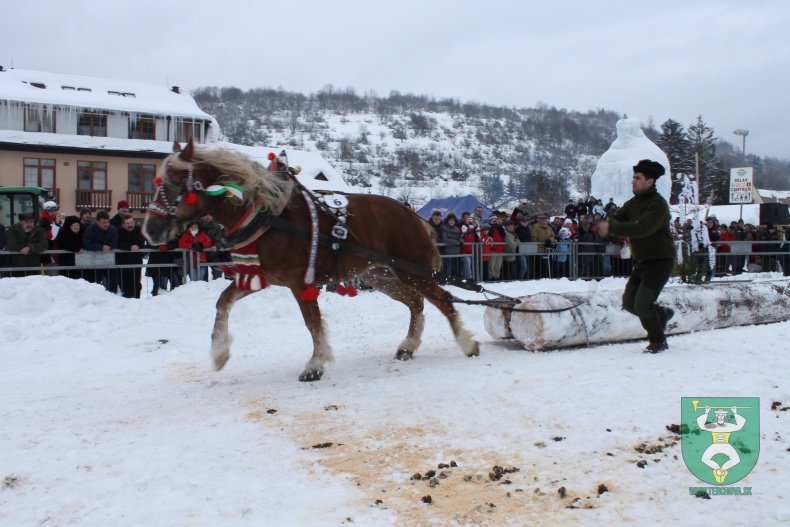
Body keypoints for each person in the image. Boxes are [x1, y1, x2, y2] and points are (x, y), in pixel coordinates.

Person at [596, 160, 676, 353]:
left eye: (637, 178)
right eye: (633, 178)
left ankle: (658, 340)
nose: (633, 181)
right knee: (629, 303)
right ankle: (662, 314)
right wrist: (613, 223)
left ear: (650, 181)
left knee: (642, 304)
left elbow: (643, 228)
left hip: (660, 260)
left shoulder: (657, 204)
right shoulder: (633, 203)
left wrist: (612, 227)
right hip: (642, 260)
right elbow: (616, 216)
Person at [83, 210, 119, 291]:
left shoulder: (112, 229)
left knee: (112, 284)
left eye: (107, 222)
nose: (106, 224)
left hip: (109, 262)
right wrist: (100, 247)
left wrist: (108, 246)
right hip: (94, 262)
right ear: (98, 222)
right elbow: (87, 243)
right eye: (104, 222)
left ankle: (113, 299)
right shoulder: (90, 230)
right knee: (95, 285)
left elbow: (115, 241)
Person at [5, 212, 49, 276]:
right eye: (26, 222)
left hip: (34, 266)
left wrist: (29, 248)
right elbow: (11, 245)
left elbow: (44, 244)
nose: (29, 224)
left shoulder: (40, 230)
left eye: (31, 222)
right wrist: (24, 248)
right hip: (16, 267)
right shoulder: (12, 230)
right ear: (21, 222)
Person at [116, 215, 147, 298]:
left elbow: (141, 243)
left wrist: (137, 247)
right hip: (122, 262)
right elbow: (118, 244)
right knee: (124, 284)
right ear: (123, 224)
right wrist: (130, 247)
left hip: (136, 261)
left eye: (131, 222)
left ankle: (137, 299)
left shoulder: (138, 230)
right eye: (127, 223)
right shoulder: (119, 231)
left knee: (136, 283)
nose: (130, 225)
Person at [55, 215, 85, 279]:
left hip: (81, 264)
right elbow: (64, 244)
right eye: (73, 225)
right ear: (69, 226)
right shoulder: (64, 234)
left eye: (77, 225)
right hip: (67, 264)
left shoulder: (83, 234)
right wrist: (76, 249)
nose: (76, 227)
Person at [198, 213, 225, 280]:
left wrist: (216, 246)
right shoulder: (197, 225)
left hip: (212, 253)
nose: (208, 217)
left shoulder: (216, 227)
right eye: (206, 215)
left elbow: (219, 239)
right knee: (202, 274)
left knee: (217, 270)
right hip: (200, 253)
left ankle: (216, 284)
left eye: (210, 215)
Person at [530, 214, 556, 279]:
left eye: (546, 220)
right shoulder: (536, 228)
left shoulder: (549, 228)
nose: (545, 222)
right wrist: (537, 246)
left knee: (547, 264)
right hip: (539, 250)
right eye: (543, 221)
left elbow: (553, 236)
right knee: (539, 265)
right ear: (540, 221)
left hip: (547, 249)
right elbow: (533, 238)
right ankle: (538, 277)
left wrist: (550, 240)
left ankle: (546, 277)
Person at [438, 211, 463, 277]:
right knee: (449, 270)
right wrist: (456, 242)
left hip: (456, 253)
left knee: (457, 269)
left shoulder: (456, 228)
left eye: (453, 220)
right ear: (447, 220)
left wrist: (461, 242)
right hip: (448, 253)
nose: (451, 221)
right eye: (450, 220)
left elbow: (459, 237)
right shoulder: (444, 228)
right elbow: (445, 239)